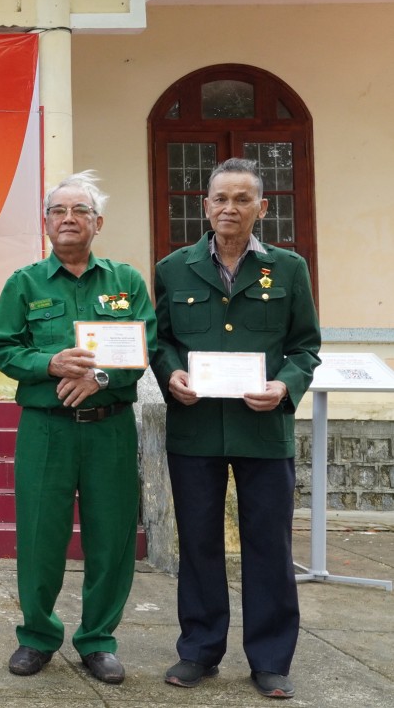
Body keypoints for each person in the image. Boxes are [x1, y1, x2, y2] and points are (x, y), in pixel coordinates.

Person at [152, 158, 320, 700]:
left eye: (242, 199)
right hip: (196, 427)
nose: (230, 208)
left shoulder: (289, 269)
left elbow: (304, 347)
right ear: (205, 206)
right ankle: (199, 650)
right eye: (220, 198)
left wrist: (285, 386)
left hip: (263, 430)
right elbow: (162, 340)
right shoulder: (174, 267)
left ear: (261, 208)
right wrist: (170, 372)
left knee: (267, 545)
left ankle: (271, 659)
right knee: (198, 542)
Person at [0, 170, 156, 685]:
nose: (68, 219)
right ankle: (37, 636)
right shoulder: (25, 283)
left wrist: (101, 377)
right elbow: (2, 347)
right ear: (45, 223)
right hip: (46, 428)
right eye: (58, 211)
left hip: (109, 428)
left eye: (78, 211)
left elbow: (144, 340)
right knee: (40, 535)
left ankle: (98, 640)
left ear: (97, 222)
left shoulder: (125, 281)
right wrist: (50, 365)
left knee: (111, 536)